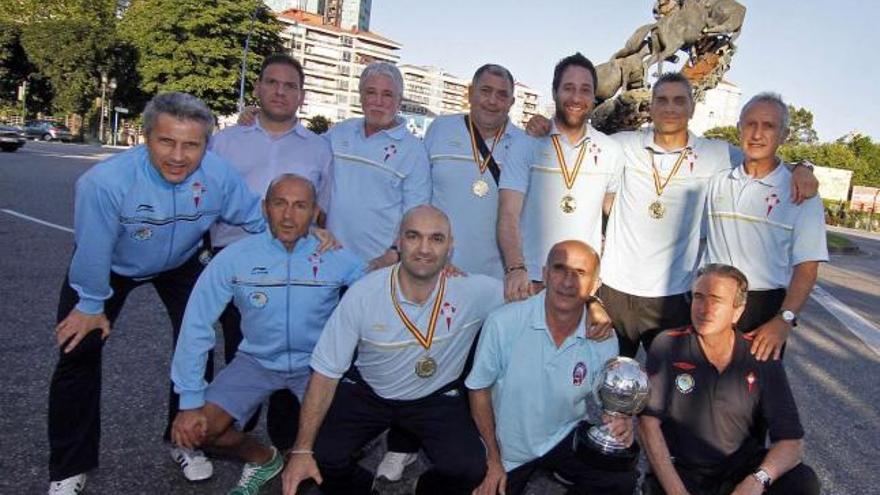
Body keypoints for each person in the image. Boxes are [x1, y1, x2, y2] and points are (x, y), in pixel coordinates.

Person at [48, 92, 264, 494]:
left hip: (181, 260)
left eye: (191, 145)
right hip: (112, 262)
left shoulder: (218, 175)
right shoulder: (104, 183)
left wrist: (304, 243)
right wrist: (92, 305)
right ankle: (68, 467)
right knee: (77, 351)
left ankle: (183, 440)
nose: (179, 156)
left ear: (206, 145)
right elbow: (93, 248)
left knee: (196, 343)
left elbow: (257, 220)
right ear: (146, 138)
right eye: (167, 141)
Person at [525, 73, 819, 358]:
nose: (670, 108)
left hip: (674, 296)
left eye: (679, 101)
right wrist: (544, 124)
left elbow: (764, 157)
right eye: (662, 100)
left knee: (669, 390)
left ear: (692, 107)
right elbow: (577, 140)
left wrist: (803, 167)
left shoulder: (715, 153)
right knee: (606, 383)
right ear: (650, 106)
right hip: (615, 290)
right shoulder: (623, 145)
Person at [281, 205, 504, 495]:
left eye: (436, 239)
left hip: (435, 396)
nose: (424, 249)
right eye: (414, 236)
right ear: (398, 242)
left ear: (450, 246)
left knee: (470, 468)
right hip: (369, 391)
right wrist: (301, 451)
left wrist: (585, 307)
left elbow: (534, 302)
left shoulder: (474, 291)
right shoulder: (363, 294)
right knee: (322, 456)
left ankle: (423, 490)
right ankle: (363, 489)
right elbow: (324, 373)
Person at [170, 174, 365, 494]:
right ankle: (263, 459)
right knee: (197, 433)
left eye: (300, 206)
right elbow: (196, 324)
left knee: (336, 449)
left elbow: (380, 295)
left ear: (316, 212)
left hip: (316, 366)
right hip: (256, 360)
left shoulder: (336, 256)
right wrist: (189, 400)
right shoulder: (234, 257)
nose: (289, 215)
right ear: (265, 208)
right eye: (280, 204)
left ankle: (306, 461)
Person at [209, 53, 334, 450]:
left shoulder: (319, 149)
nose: (280, 92)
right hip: (235, 267)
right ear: (258, 87)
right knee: (239, 350)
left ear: (301, 95)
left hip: (293, 268)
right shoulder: (224, 142)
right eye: (272, 83)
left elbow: (323, 211)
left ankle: (286, 447)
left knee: (290, 350)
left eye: (290, 86)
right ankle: (239, 440)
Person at [466, 240, 637, 495]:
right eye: (559, 269)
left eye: (580, 273)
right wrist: (493, 458)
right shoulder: (504, 322)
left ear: (595, 285)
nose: (568, 282)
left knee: (619, 478)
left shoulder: (603, 338)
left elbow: (605, 402)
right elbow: (478, 390)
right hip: (507, 449)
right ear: (545, 274)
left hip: (562, 436)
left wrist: (621, 423)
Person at [640, 263, 821, 495]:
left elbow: (791, 443)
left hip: (739, 473)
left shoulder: (760, 355)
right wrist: (677, 492)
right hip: (683, 472)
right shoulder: (668, 344)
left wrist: (757, 481)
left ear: (738, 310)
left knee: (801, 481)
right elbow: (648, 425)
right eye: (698, 297)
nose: (704, 309)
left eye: (716, 300)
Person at [705, 93, 828, 361]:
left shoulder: (801, 193)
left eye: (769, 126)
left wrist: (784, 320)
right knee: (703, 393)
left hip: (763, 308)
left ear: (784, 135)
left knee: (754, 397)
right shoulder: (717, 180)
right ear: (739, 128)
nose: (757, 134)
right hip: (711, 301)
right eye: (750, 124)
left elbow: (807, 270)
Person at [497, 53, 624, 303]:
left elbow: (615, 216)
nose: (576, 98)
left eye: (585, 90)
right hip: (531, 281)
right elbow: (508, 215)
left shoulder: (611, 151)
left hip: (580, 285)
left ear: (593, 96)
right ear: (554, 92)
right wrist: (515, 268)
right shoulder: (526, 144)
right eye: (568, 88)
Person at [324, 61, 431, 270]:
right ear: (361, 96)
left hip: (378, 266)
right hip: (330, 259)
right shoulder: (339, 133)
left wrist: (393, 254)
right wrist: (258, 117)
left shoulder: (414, 151)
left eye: (388, 95)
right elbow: (302, 149)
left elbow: (415, 215)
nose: (378, 102)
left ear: (399, 100)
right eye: (371, 92)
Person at [426, 63, 526, 279]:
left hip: (497, 278)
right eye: (485, 91)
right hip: (439, 270)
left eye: (502, 95)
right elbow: (419, 198)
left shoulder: (525, 144)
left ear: (511, 102)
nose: (492, 101)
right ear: (470, 93)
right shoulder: (440, 129)